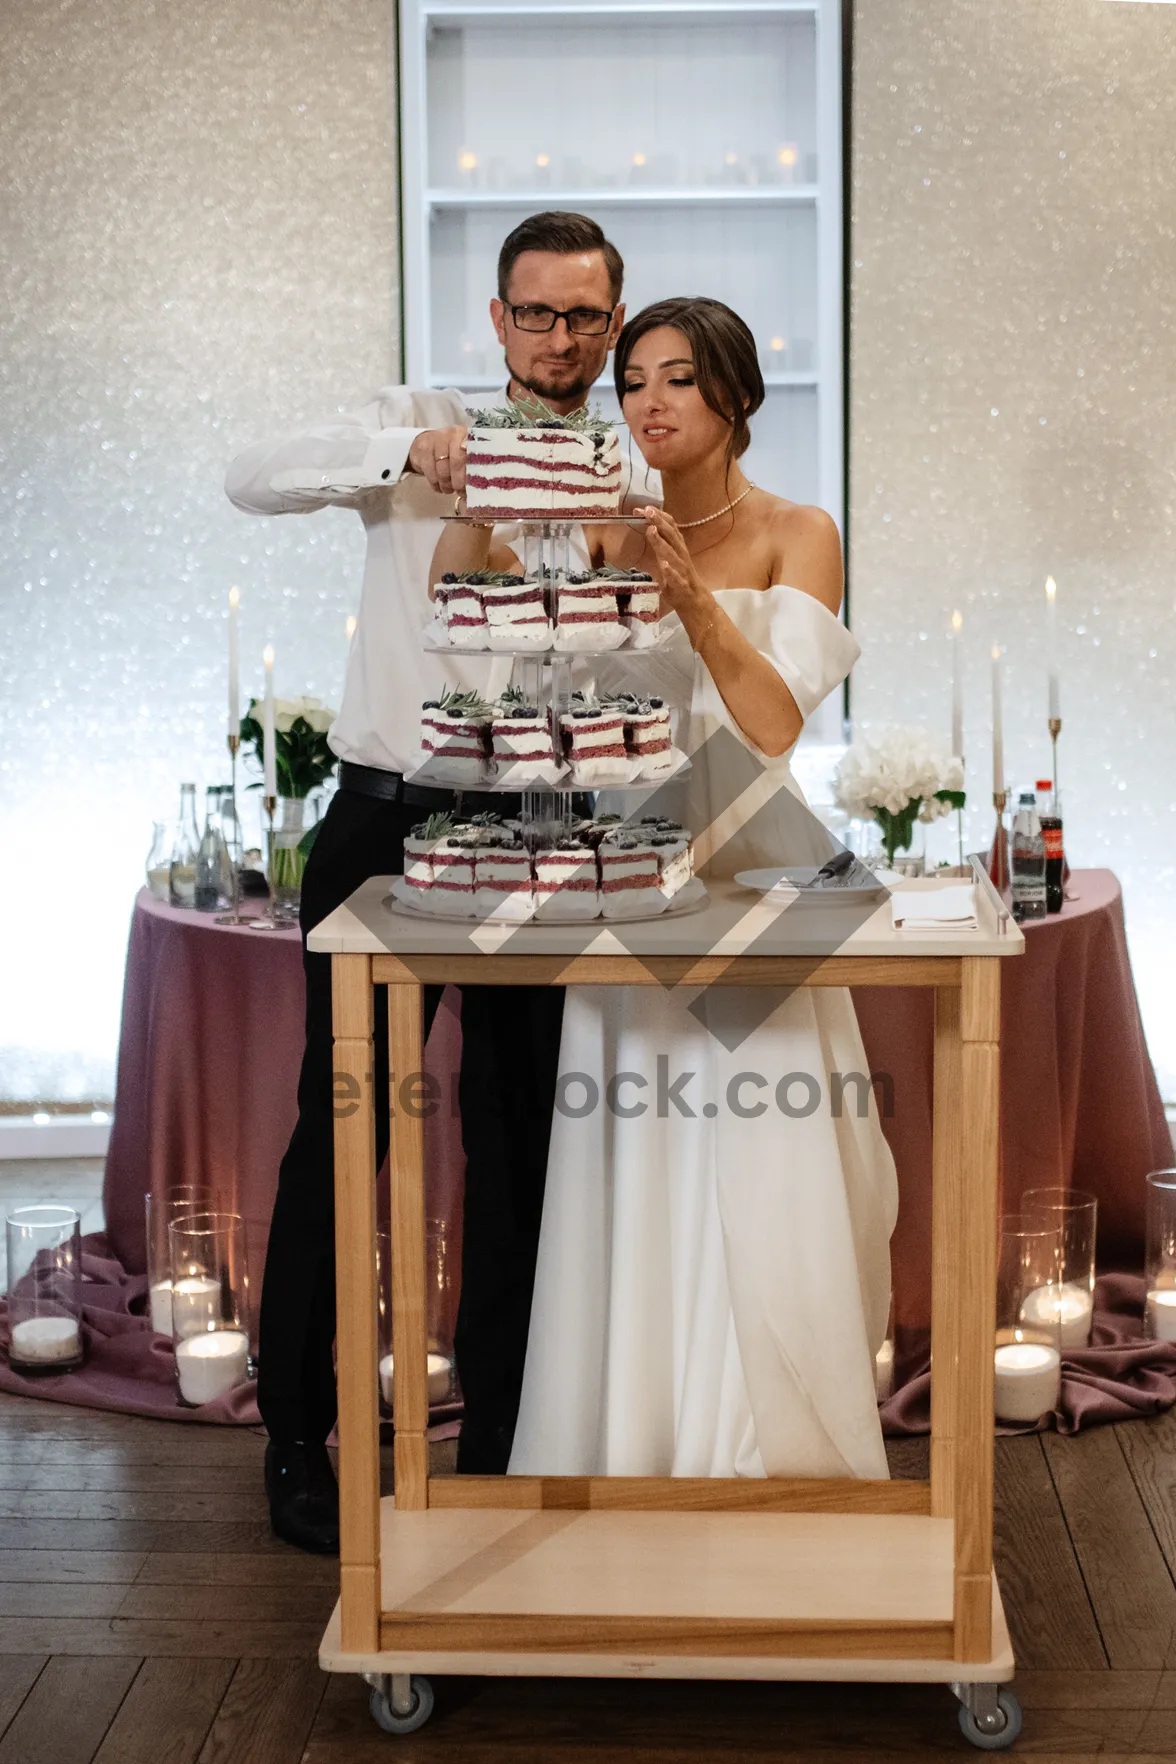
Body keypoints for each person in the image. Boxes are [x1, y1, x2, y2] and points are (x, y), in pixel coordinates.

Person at [224, 212, 658, 1552]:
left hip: (544, 827)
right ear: (496, 319)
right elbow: (248, 474)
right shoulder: (418, 420)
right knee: (339, 1128)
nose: (564, 340)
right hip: (385, 825)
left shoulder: (632, 461)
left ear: (615, 321)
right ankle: (298, 1437)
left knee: (522, 1139)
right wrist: (401, 454)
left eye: (589, 318)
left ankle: (510, 1428)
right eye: (539, 315)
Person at [497, 297, 900, 1479]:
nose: (649, 402)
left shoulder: (799, 531)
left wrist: (691, 600)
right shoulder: (601, 532)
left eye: (678, 378)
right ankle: (625, 1456)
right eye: (632, 382)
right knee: (629, 1175)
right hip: (631, 896)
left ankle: (787, 1468)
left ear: (737, 398)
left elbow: (773, 724)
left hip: (758, 890)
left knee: (772, 1181)